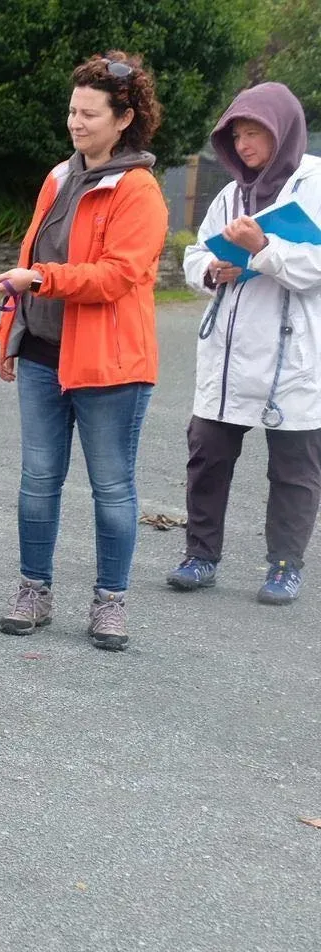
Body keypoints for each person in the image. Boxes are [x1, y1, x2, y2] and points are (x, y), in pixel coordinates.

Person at [0, 51, 169, 650]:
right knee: (37, 480)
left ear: (124, 119)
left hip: (110, 366)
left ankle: (110, 601)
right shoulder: (58, 178)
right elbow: (27, 256)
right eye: (72, 110)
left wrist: (42, 280)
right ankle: (32, 590)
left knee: (112, 487)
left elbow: (118, 275)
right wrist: (9, 332)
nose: (76, 122)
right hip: (42, 354)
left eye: (90, 113)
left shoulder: (139, 190)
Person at [172, 82, 321, 606]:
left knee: (295, 468)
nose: (244, 145)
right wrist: (212, 269)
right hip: (230, 350)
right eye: (236, 135)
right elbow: (194, 256)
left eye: (254, 133)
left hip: (293, 354)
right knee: (207, 454)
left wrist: (264, 250)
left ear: (282, 133)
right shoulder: (230, 192)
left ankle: (284, 566)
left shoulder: (315, 184)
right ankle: (200, 554)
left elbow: (317, 266)